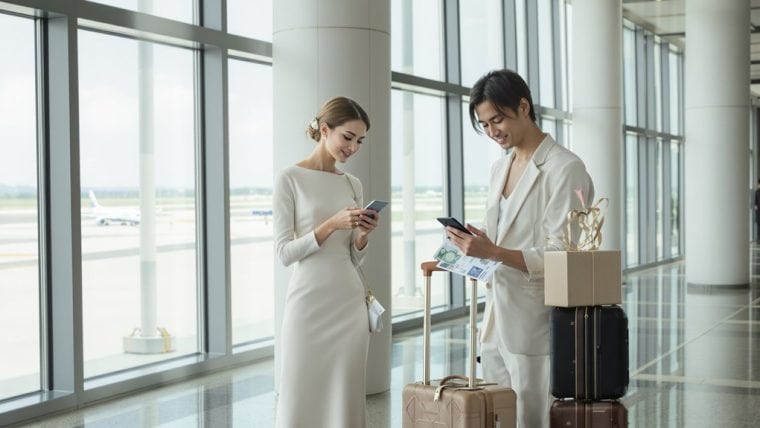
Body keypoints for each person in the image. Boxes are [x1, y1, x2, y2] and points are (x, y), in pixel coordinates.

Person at [444, 69, 594, 428]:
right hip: (496, 316)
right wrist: (479, 242)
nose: (493, 131)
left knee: (534, 416)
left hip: (534, 318)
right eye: (484, 124)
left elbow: (563, 255)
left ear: (523, 107)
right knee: (499, 417)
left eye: (498, 119)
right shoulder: (501, 166)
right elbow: (504, 237)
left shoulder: (565, 168)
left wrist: (492, 251)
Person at [273, 96, 379, 428]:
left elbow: (354, 254)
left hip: (348, 304)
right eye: (347, 137)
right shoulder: (289, 178)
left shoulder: (352, 183)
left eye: (359, 141)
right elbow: (285, 254)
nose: (353, 147)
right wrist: (331, 224)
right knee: (299, 390)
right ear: (324, 129)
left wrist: (364, 234)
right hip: (308, 303)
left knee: (345, 393)